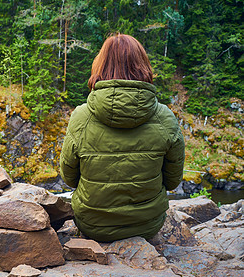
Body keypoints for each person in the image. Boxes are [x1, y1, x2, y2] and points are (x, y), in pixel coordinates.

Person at [59, 33, 185, 242]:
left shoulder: (81, 117)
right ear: (143, 67)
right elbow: (172, 181)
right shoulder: (165, 118)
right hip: (147, 225)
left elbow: (69, 178)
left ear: (99, 67)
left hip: (93, 225)